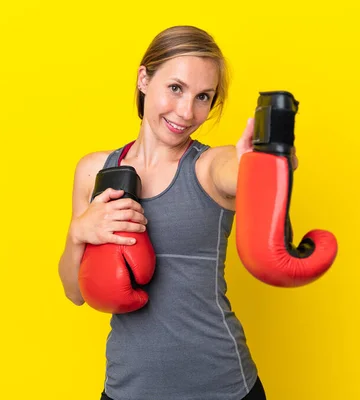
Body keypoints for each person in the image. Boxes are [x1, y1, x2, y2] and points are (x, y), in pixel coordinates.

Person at [58, 25, 298, 400]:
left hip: (223, 387)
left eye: (204, 96)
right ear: (143, 79)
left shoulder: (209, 167)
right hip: (128, 389)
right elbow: (75, 293)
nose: (187, 111)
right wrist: (78, 233)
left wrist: (267, 163)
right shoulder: (93, 171)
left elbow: (239, 168)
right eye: (176, 88)